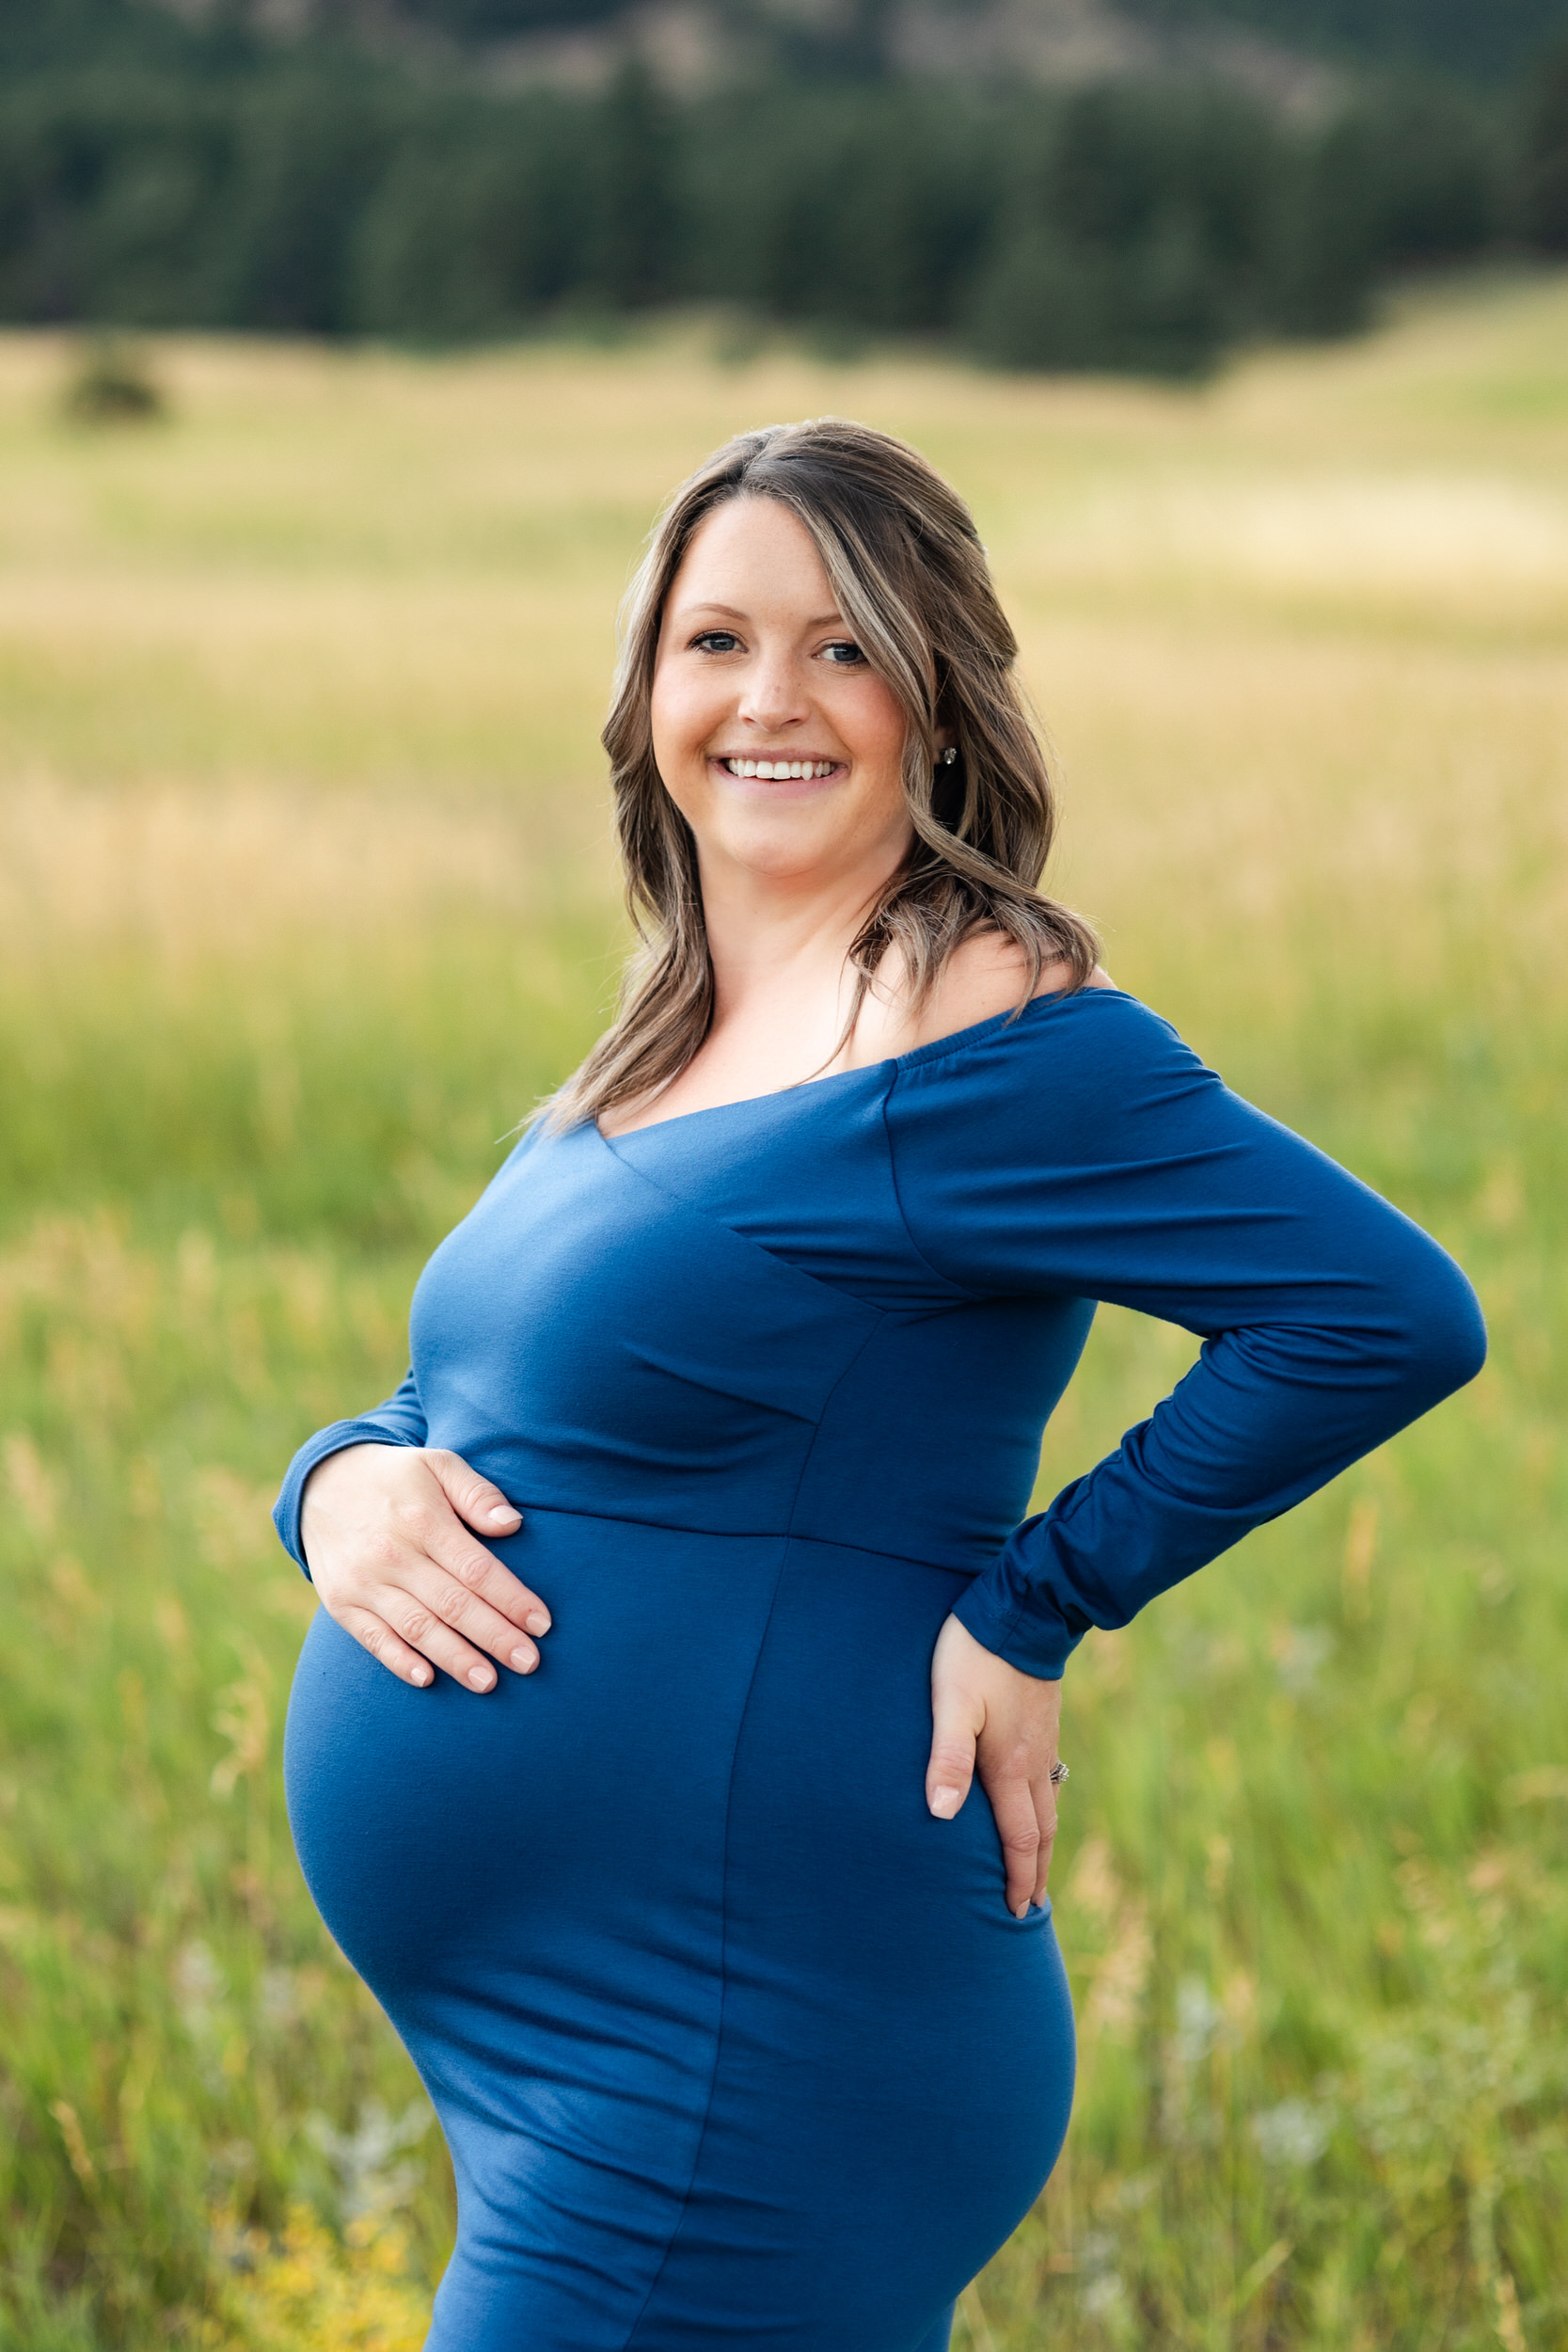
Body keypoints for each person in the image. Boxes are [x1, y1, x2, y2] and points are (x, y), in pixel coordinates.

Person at [275, 419, 1484, 2352]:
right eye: (716, 640)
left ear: (936, 696)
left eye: (843, 647)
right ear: (645, 689)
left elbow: (1381, 1311)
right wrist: (335, 1484)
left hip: (743, 2030)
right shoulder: (668, 1028)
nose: (772, 697)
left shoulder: (996, 1031)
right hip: (570, 2048)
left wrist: (1040, 1596)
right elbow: (489, 1397)